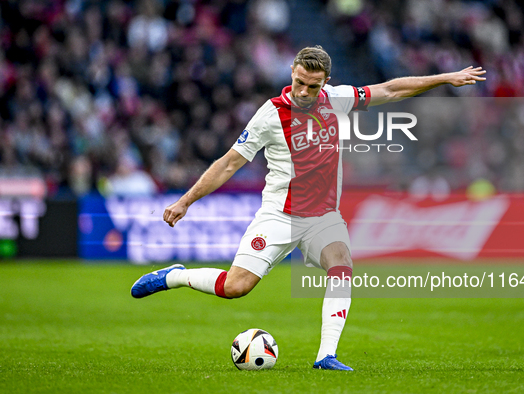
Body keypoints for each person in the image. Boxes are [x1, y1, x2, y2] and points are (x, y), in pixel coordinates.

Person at [130, 46, 486, 370]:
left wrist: (445, 78)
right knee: (235, 287)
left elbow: (391, 89)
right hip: (279, 216)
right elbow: (228, 163)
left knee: (342, 264)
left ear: (325, 83)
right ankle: (174, 276)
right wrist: (185, 201)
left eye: (312, 86)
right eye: (299, 82)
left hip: (323, 218)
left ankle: (325, 355)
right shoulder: (270, 115)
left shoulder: (337, 99)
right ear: (292, 72)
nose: (303, 91)